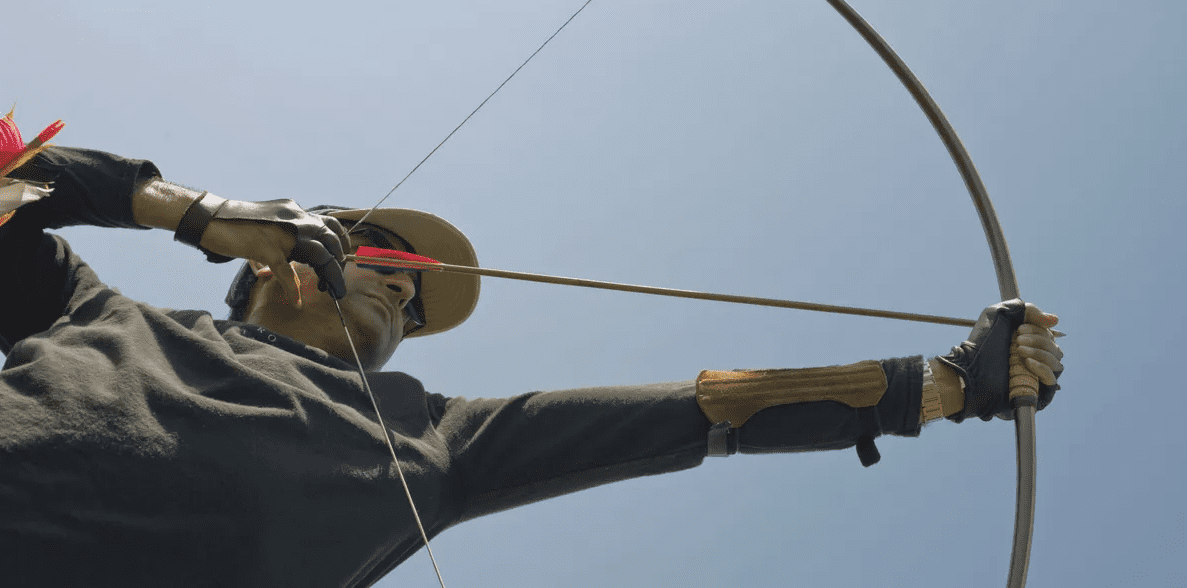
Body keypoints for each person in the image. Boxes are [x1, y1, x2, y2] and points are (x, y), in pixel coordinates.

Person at [0, 115, 1063, 587]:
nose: (400, 277)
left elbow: (703, 410)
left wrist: (949, 384)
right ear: (276, 258)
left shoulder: (438, 439)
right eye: (373, 244)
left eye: (412, 289)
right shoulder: (90, 313)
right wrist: (196, 212)